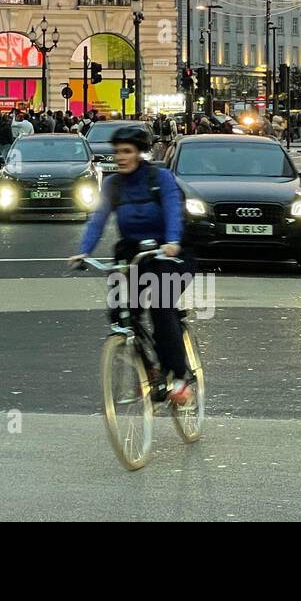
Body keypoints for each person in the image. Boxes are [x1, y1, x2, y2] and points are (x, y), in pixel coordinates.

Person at [67, 125, 193, 406]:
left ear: (139, 153)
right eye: (117, 152)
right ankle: (149, 369)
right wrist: (83, 252)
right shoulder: (113, 185)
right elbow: (98, 219)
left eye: (127, 151)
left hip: (169, 252)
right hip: (133, 252)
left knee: (161, 306)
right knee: (121, 311)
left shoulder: (160, 178)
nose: (121, 157)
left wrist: (172, 240)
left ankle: (180, 376)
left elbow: (173, 211)